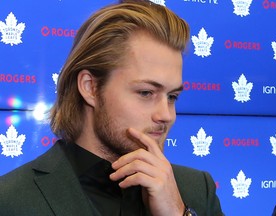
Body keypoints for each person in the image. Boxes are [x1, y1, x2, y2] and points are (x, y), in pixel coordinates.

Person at [0, 1, 224, 215]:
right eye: (146, 93)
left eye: (172, 96)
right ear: (90, 88)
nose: (166, 115)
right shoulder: (10, 199)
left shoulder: (197, 191)